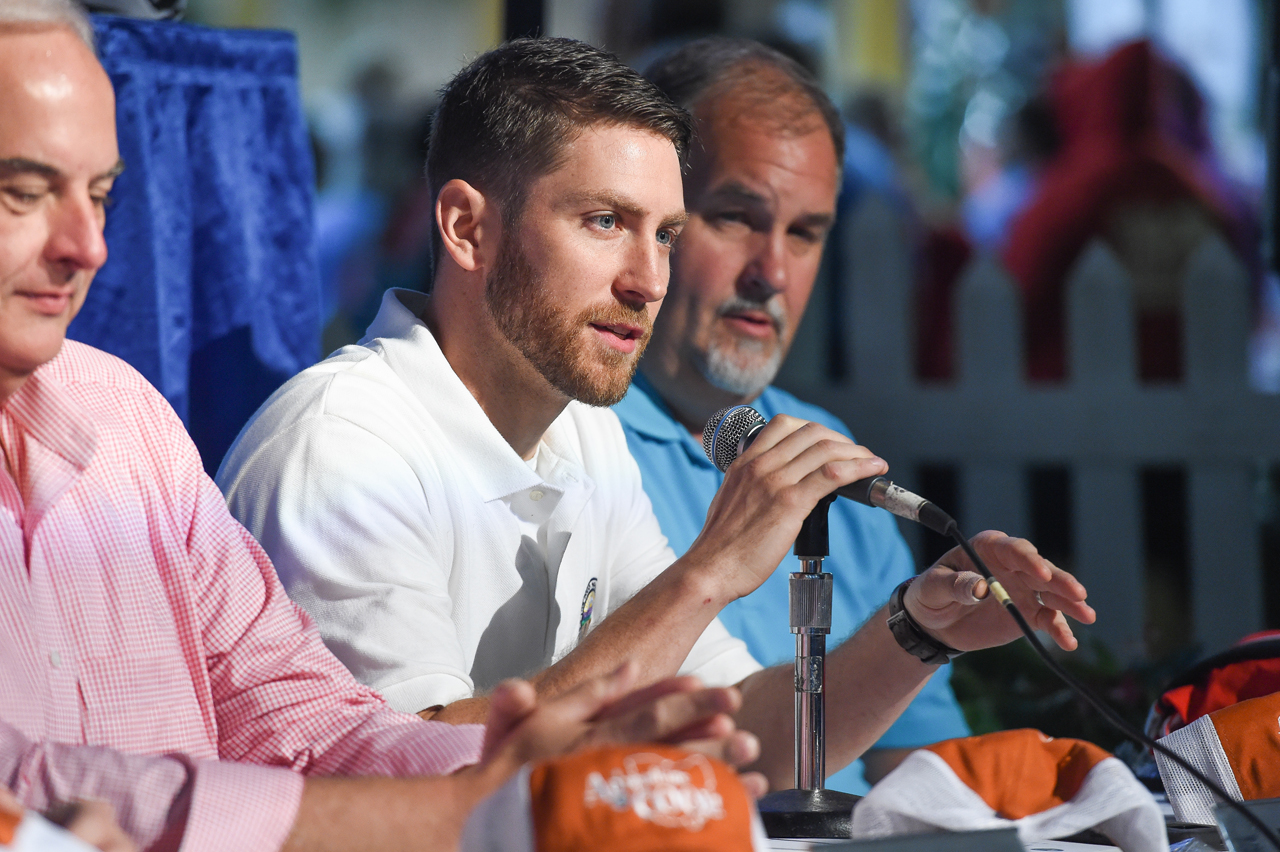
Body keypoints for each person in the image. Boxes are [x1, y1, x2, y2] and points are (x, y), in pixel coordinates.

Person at [219, 35, 1096, 793]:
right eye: (604, 221)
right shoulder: (342, 443)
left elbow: (750, 736)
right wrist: (710, 570)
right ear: (465, 228)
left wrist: (916, 629)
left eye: (667, 234)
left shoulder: (580, 429)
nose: (647, 280)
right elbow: (430, 779)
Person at [0, 5, 764, 851]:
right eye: (24, 193)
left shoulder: (126, 418)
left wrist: (533, 766)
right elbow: (27, 787)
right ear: (463, 227)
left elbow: (306, 721)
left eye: (103, 194)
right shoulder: (335, 440)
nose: (89, 246)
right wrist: (494, 791)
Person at [611, 37, 970, 794]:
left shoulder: (832, 460)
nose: (771, 272)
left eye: (805, 233)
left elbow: (920, 768)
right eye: (738, 216)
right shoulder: (566, 436)